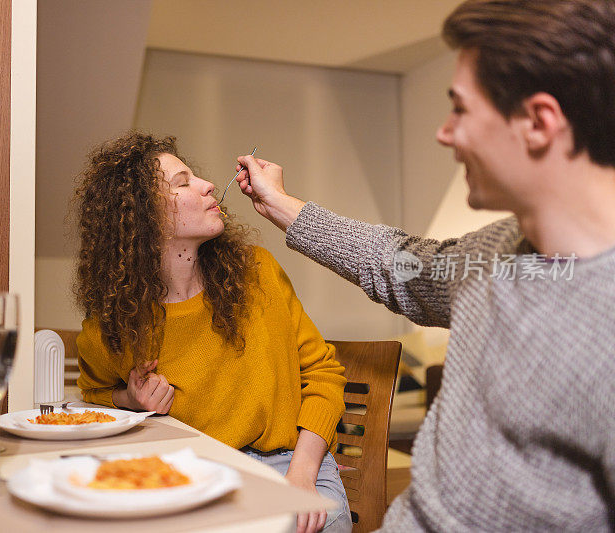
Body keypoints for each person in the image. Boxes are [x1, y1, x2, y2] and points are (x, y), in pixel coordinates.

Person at [233, 0, 615, 530]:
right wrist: (282, 205)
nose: (445, 132)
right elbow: (399, 266)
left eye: (460, 108)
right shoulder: (493, 256)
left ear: (538, 121)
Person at [71, 131, 351, 533]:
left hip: (291, 460)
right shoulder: (114, 322)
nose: (205, 185)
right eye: (182, 183)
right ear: (140, 219)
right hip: (198, 471)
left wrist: (303, 474)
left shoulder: (259, 272)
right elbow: (92, 393)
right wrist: (129, 397)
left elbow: (323, 374)